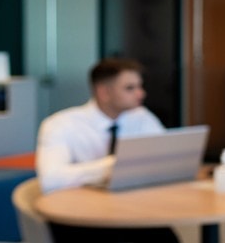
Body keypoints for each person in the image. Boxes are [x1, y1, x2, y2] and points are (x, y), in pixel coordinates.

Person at [35, 57, 178, 243]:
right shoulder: (60, 125)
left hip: (132, 211)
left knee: (166, 238)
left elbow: (165, 158)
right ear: (104, 92)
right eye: (130, 88)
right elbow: (50, 180)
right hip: (78, 218)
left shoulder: (141, 118)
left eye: (140, 86)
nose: (141, 94)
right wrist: (113, 166)